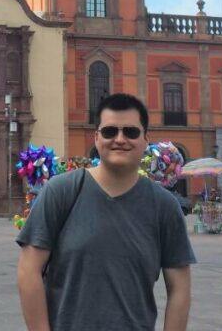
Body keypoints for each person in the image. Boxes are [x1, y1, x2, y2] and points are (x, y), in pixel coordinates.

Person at [16, 93, 194, 331]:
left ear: (145, 140)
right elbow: (29, 270)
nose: (120, 139)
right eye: (110, 131)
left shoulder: (164, 206)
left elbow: (180, 288)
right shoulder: (60, 192)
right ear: (97, 138)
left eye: (130, 132)